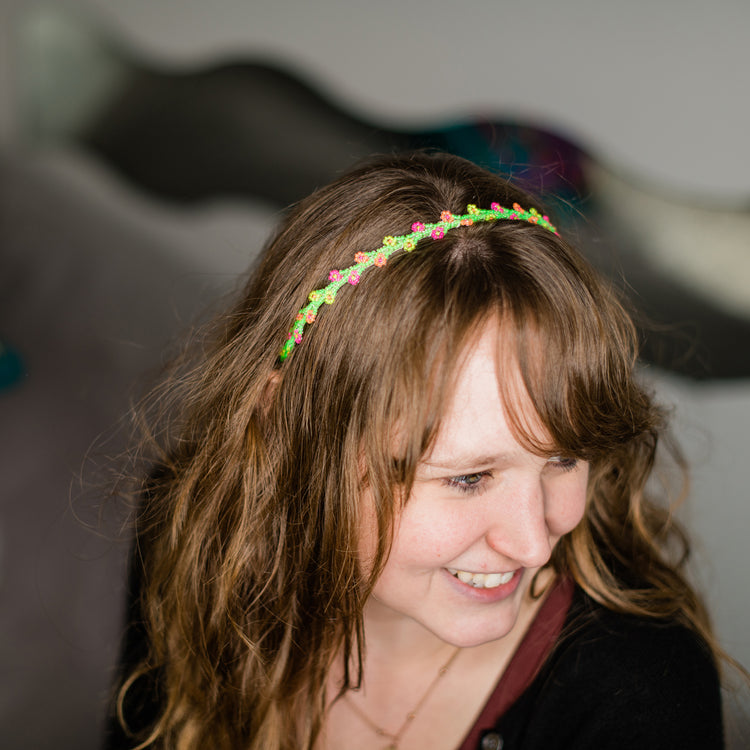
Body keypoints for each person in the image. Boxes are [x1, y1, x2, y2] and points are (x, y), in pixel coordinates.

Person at [106, 151, 725, 750]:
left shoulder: (639, 690)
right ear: (286, 421)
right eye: (470, 478)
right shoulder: (196, 530)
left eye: (564, 459)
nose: (535, 543)